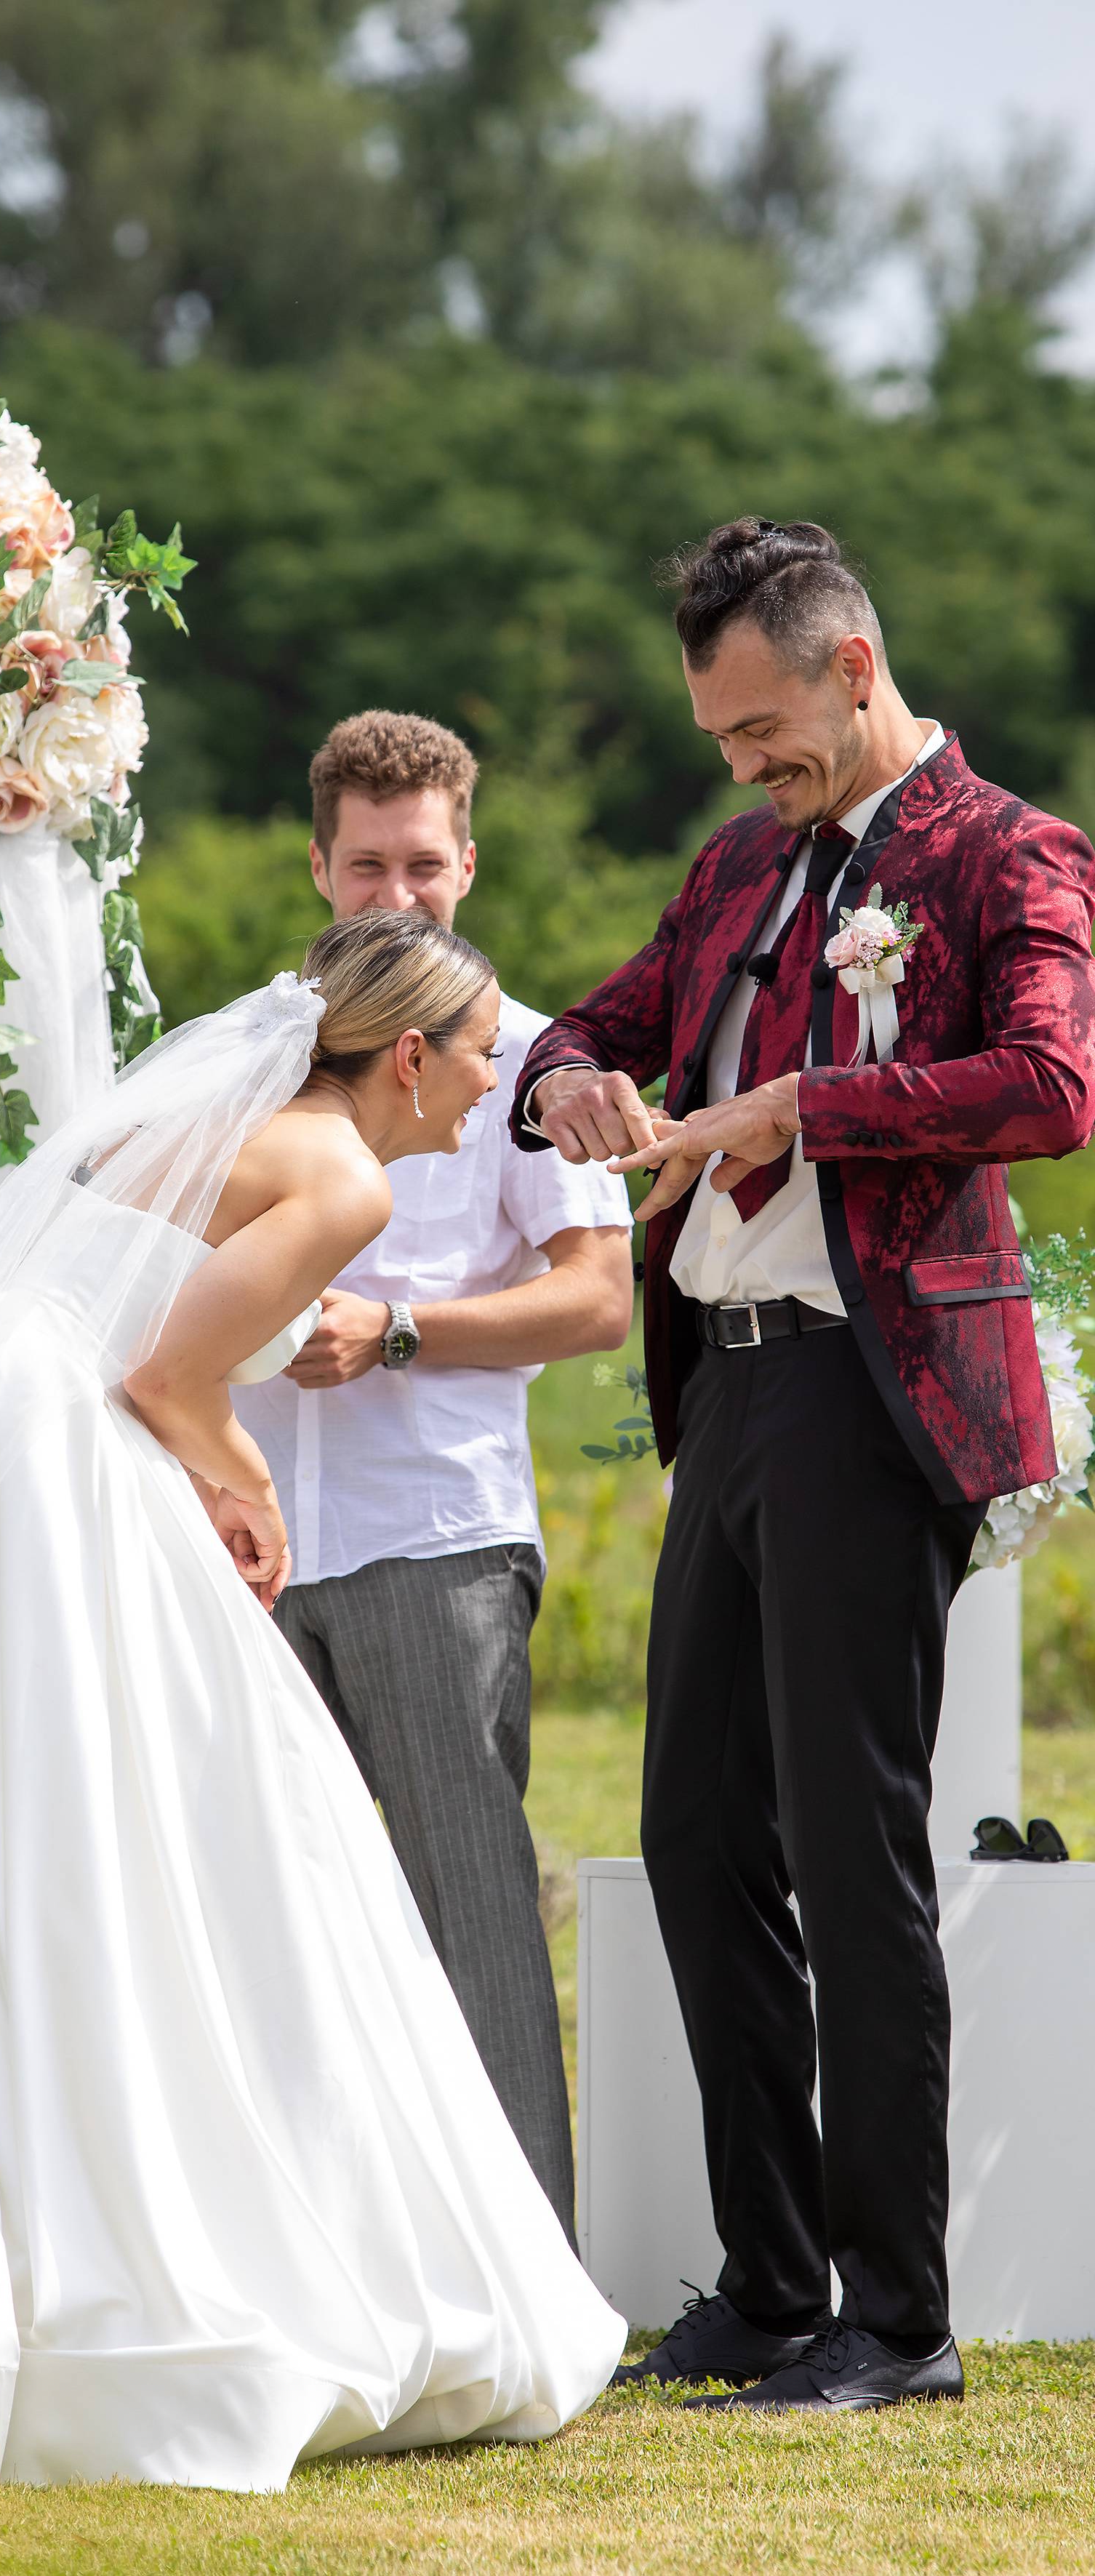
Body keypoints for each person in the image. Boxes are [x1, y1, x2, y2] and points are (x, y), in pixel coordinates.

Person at [0, 909, 624, 2490]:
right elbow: (168, 1378)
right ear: (407, 1053)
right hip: (52, 1430)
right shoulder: (344, 1173)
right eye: (483, 1056)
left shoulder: (251, 1125)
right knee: (99, 1801)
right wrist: (248, 1477)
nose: (495, 1088)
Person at [513, 518, 1095, 2412]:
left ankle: (900, 2317)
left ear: (853, 667)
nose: (740, 762)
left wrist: (804, 1112)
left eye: (762, 725)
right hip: (734, 1397)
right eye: (717, 733)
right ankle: (767, 2286)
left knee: (856, 1867)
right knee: (697, 1841)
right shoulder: (741, 864)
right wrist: (572, 1085)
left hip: (876, 1394)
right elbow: (601, 1021)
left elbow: (1055, 1084)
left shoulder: (1007, 854)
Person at [232, 711, 633, 2242]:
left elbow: (599, 1296)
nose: (396, 895)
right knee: (274, 1906)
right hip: (252, 1540)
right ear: (317, 864)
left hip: (436, 1534)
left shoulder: (535, 1060)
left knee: (474, 1906)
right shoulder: (249, 1052)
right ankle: (321, 2249)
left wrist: (397, 1327)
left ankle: (529, 2263)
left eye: (424, 863)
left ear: (469, 858)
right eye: (366, 865)